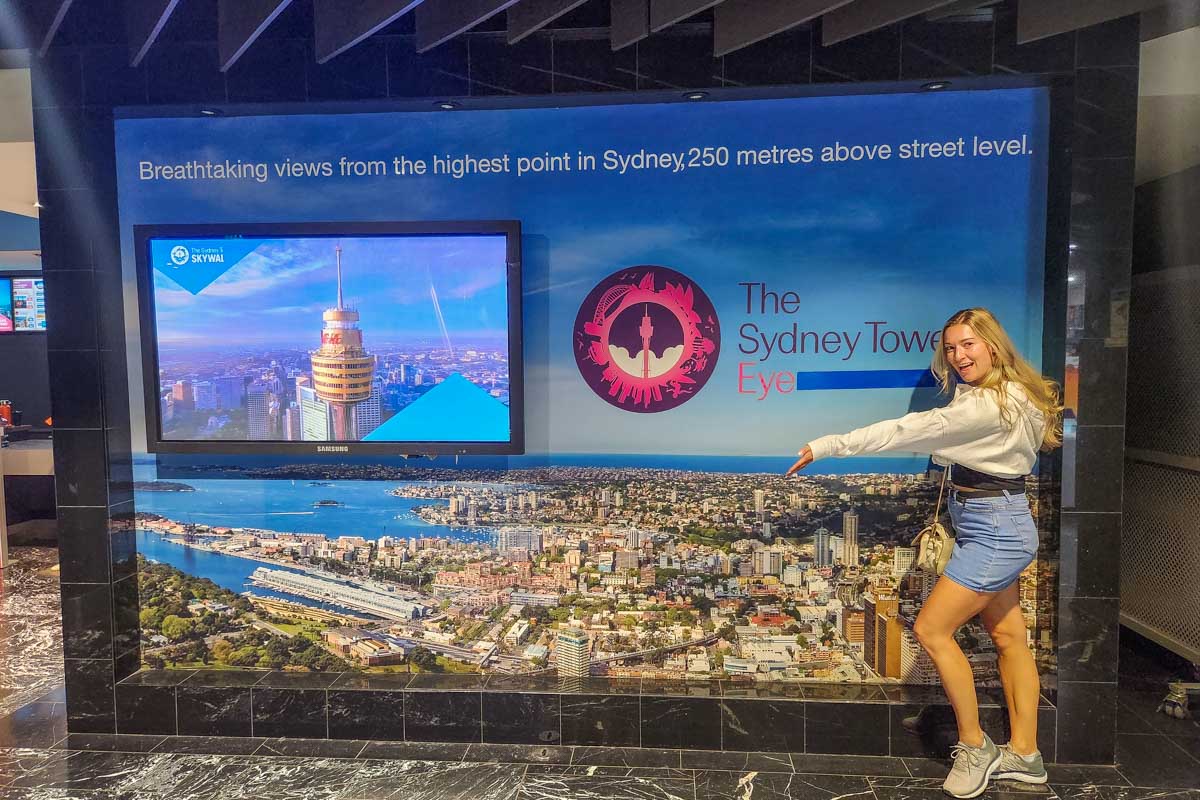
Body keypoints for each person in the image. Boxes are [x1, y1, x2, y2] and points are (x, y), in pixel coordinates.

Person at [786, 308, 1063, 799]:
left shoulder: (982, 406)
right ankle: (1025, 754)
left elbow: (904, 430)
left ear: (992, 346)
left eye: (969, 345)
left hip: (994, 529)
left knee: (931, 629)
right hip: (1002, 519)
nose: (958, 356)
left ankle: (975, 748)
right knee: (1008, 637)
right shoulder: (1014, 392)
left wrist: (826, 444)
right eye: (952, 348)